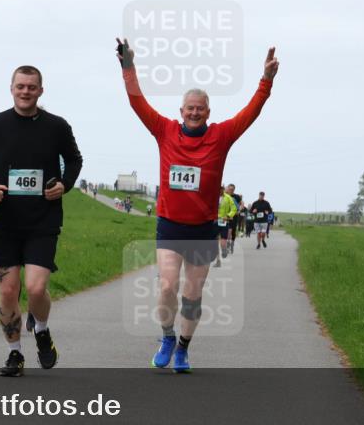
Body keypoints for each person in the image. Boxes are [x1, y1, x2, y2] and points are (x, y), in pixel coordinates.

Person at [117, 37, 278, 373]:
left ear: (208, 112)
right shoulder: (164, 130)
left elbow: (252, 112)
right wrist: (128, 66)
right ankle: (166, 336)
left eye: (200, 108)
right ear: (181, 111)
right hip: (171, 224)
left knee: (192, 295)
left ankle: (184, 349)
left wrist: (266, 80)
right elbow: (137, 103)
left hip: (203, 229)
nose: (194, 112)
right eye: (189, 108)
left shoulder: (221, 135)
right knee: (166, 286)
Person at [0, 65, 82, 377]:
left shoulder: (57, 126)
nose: (26, 91)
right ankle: (14, 354)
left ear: (41, 90)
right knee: (7, 292)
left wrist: (64, 185)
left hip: (42, 221)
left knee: (36, 287)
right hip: (5, 222)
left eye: (32, 87)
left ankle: (41, 329)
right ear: (12, 88)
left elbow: (74, 159)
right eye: (21, 86)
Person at [214, 183, 238, 267]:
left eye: (221, 189)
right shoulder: (212, 197)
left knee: (222, 243)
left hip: (223, 221)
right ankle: (218, 260)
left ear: (223, 189)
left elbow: (234, 209)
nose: (220, 190)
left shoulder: (228, 198)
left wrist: (228, 216)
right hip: (214, 221)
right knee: (215, 242)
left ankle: (224, 250)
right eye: (218, 189)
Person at [226, 184, 243, 253]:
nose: (231, 190)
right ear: (228, 189)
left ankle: (232, 244)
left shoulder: (237, 197)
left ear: (234, 190)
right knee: (228, 231)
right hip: (226, 216)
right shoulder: (225, 195)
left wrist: (239, 210)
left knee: (233, 232)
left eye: (232, 189)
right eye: (230, 189)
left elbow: (242, 204)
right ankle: (228, 244)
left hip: (234, 216)